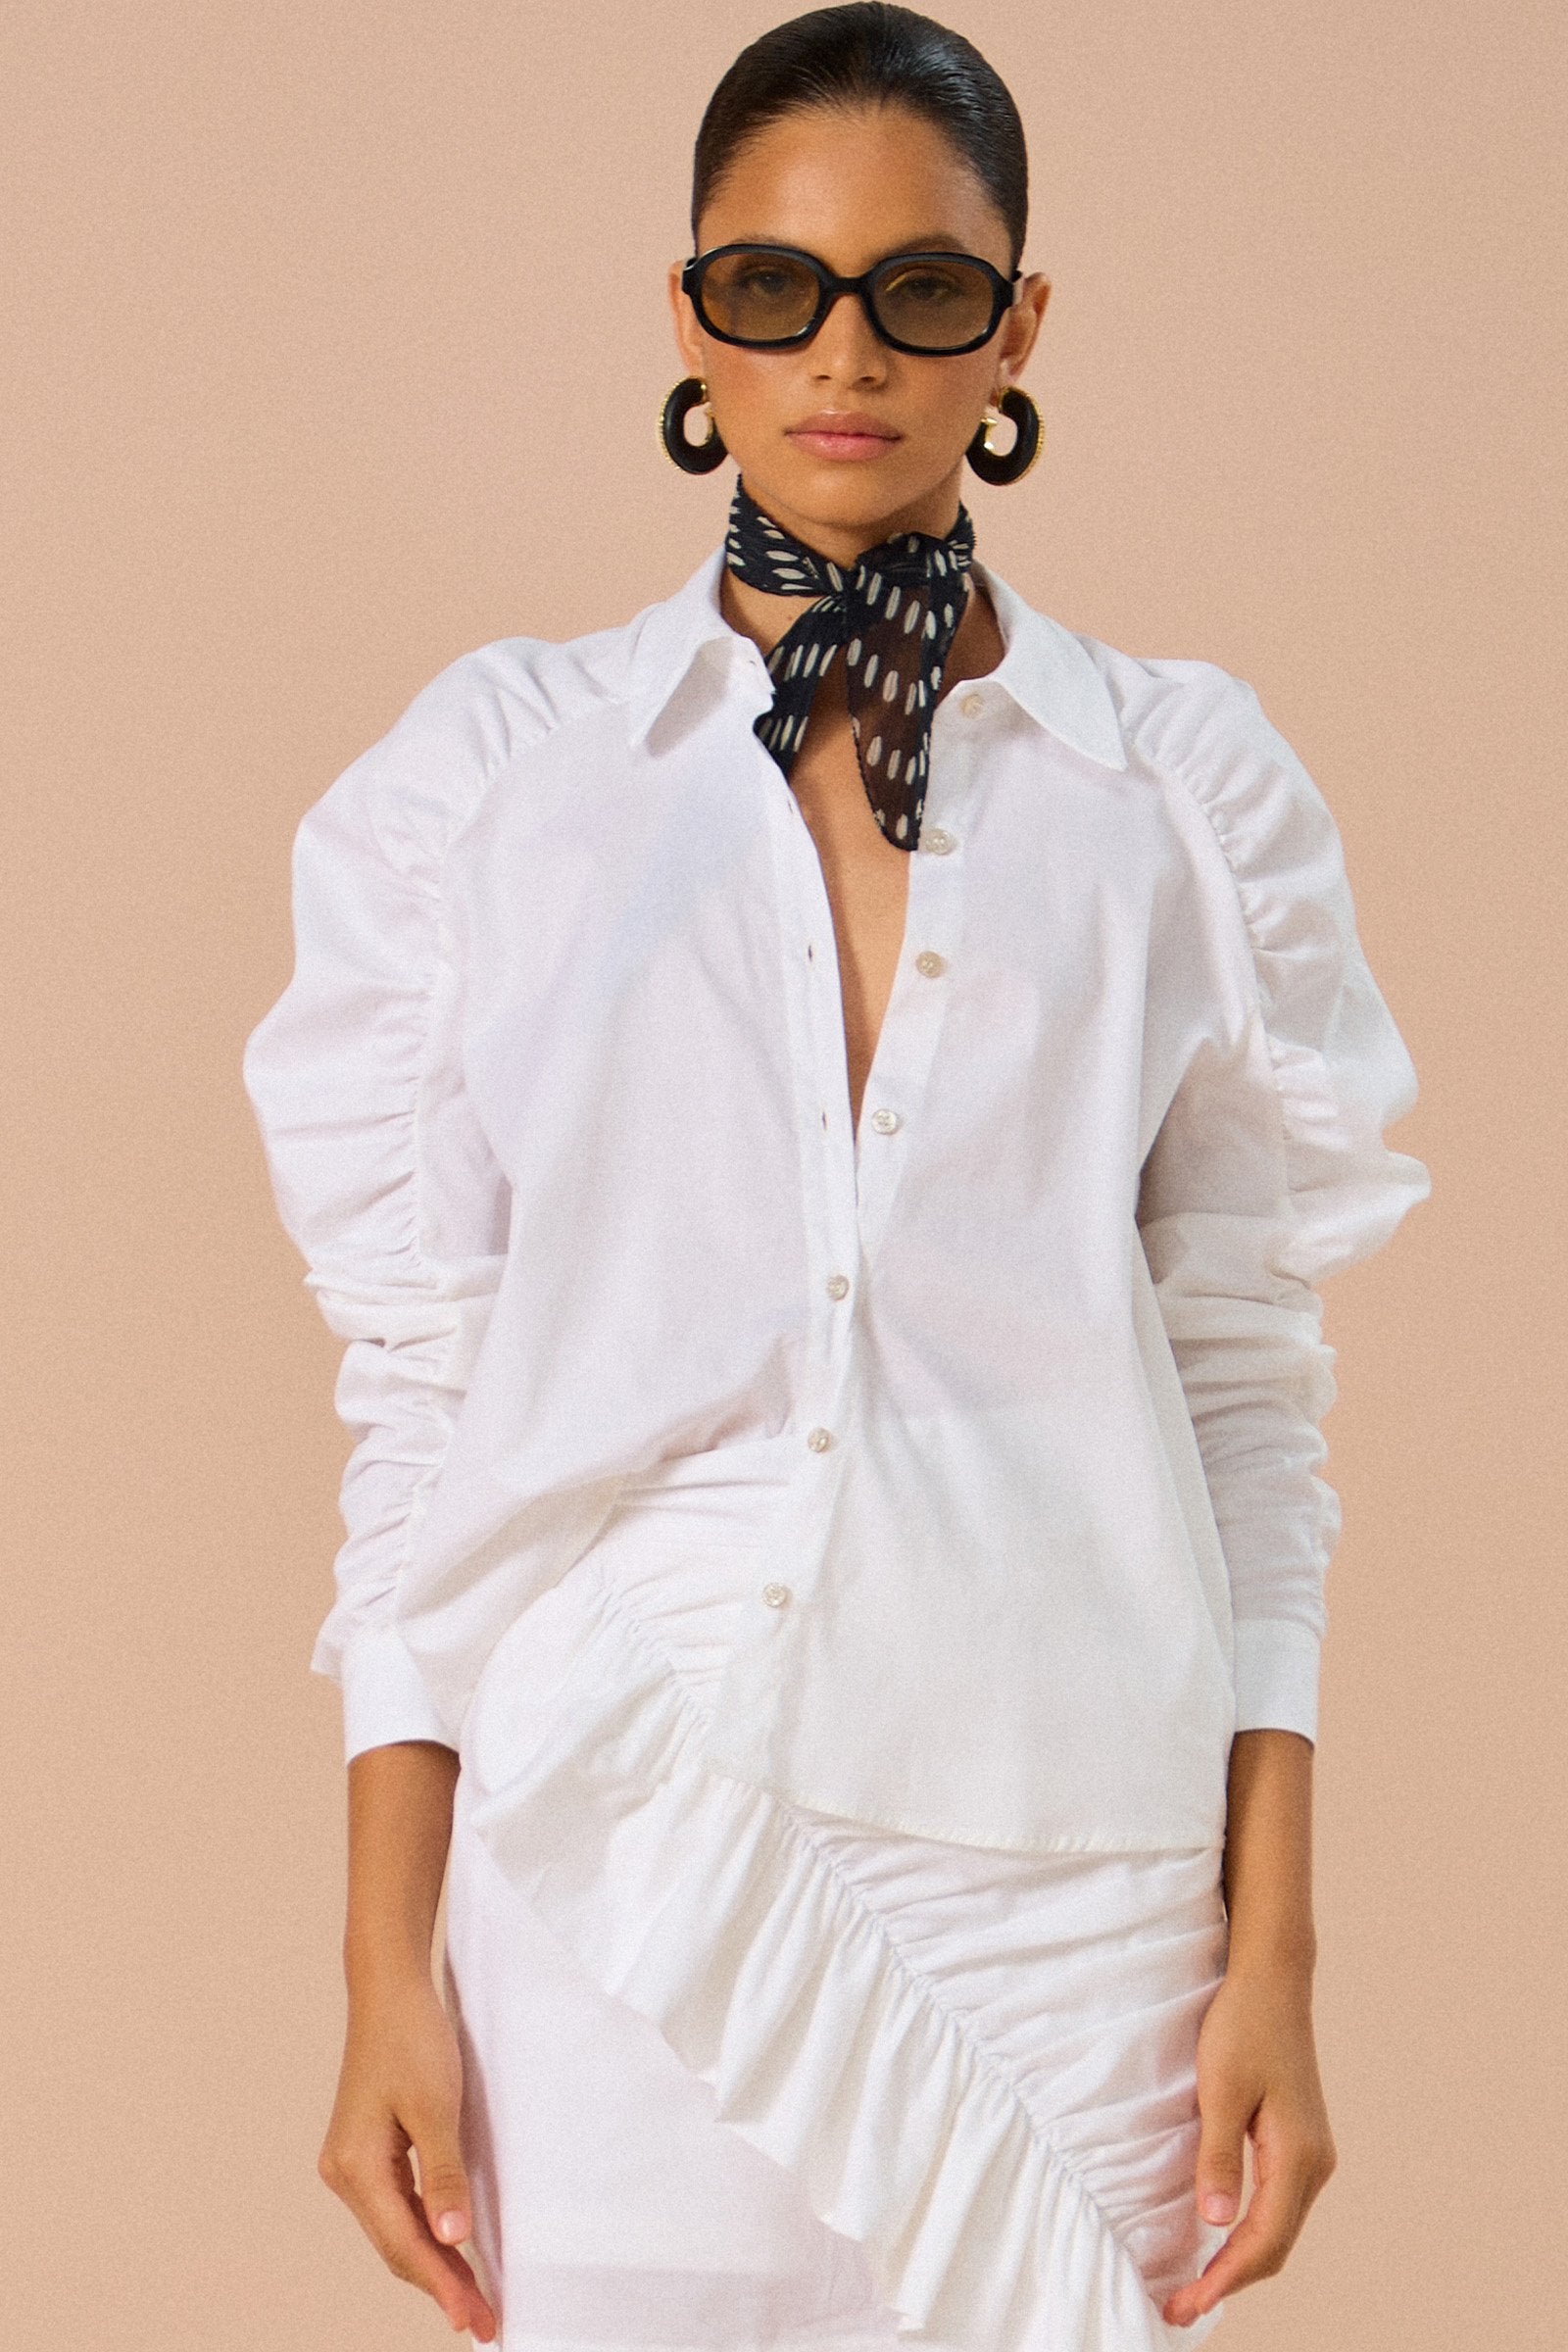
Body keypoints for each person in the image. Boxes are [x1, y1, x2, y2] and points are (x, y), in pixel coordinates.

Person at [241, 8, 1431, 2349]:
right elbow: (426, 1396)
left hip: (1072, 1856)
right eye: (773, 288)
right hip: (613, 1829)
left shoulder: (1176, 796)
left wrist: (1271, 1952)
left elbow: (1242, 1399)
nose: (845, 355)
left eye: (922, 289)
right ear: (691, 314)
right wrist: (386, 1966)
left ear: (1016, 325)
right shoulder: (492, 791)